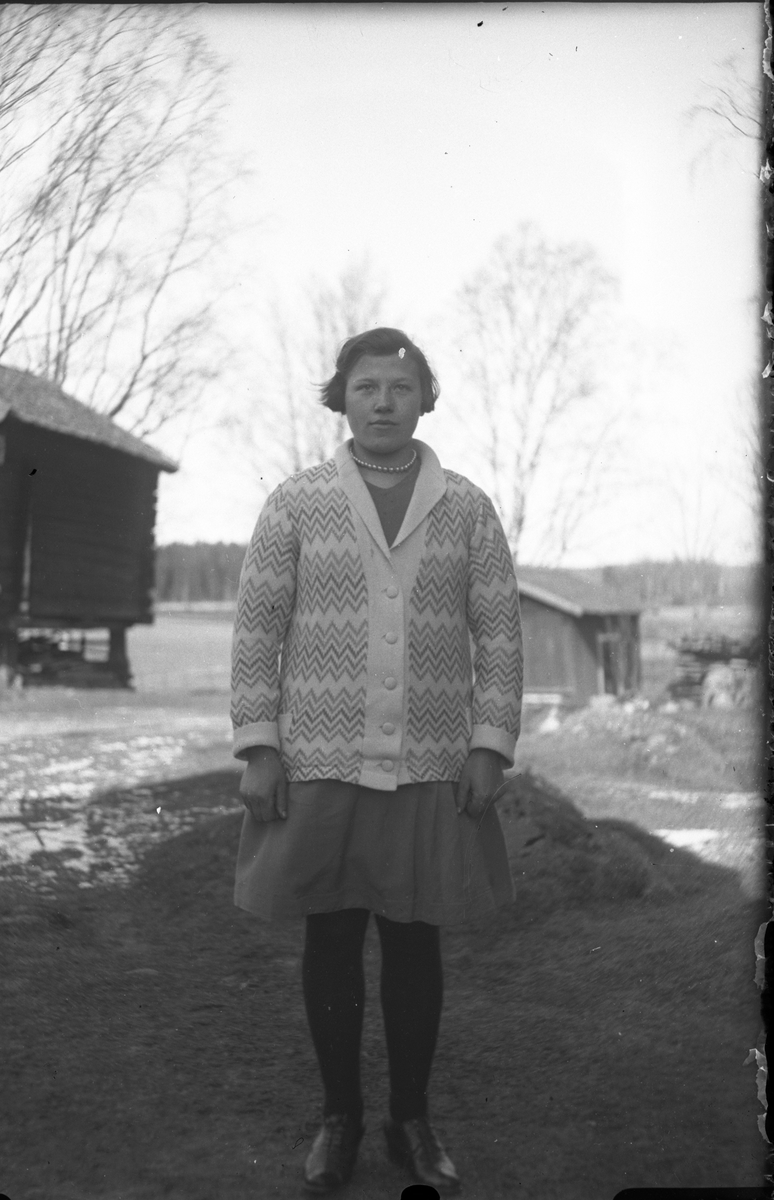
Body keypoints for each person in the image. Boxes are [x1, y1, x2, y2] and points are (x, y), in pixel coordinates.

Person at [230, 327, 523, 1195]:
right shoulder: (296, 502)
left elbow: (499, 632)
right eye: (366, 386)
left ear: (425, 398)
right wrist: (259, 745)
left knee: (412, 941)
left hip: (429, 759)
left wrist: (488, 744)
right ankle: (339, 1118)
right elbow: (257, 628)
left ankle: (409, 1120)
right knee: (330, 938)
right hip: (319, 759)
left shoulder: (465, 506)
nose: (384, 402)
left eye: (401, 386)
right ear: (341, 399)